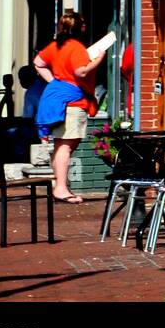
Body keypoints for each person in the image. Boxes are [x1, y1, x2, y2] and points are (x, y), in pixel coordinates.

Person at [33, 12, 99, 203]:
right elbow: (81, 71)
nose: (85, 27)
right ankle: (61, 188)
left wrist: (54, 81)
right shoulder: (77, 48)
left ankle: (60, 185)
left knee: (61, 145)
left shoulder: (55, 46)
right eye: (83, 24)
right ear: (78, 27)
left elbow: (38, 63)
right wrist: (99, 58)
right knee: (65, 147)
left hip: (58, 101)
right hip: (72, 103)